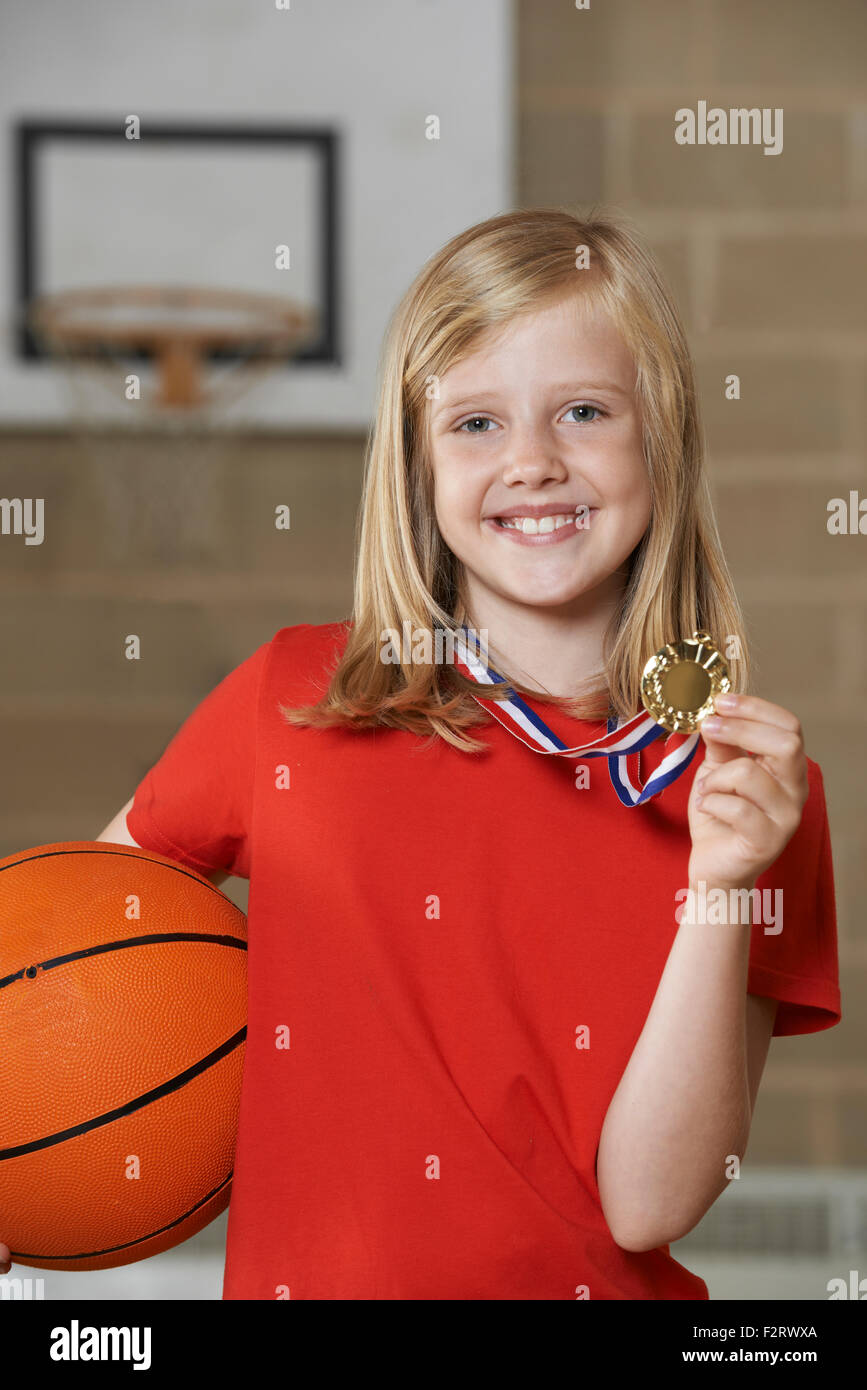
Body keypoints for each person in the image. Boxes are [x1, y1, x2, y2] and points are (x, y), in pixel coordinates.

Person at [0, 207, 841, 1299]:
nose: (533, 462)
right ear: (417, 463)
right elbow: (58, 990)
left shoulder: (749, 793)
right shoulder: (292, 700)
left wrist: (725, 884)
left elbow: (649, 1201)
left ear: (663, 438)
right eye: (476, 423)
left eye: (583, 411)